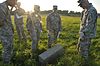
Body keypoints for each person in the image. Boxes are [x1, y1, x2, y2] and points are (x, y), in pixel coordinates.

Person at [77, 0, 97, 65]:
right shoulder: (85, 10)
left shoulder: (92, 10)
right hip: (82, 33)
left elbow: (90, 25)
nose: (81, 7)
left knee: (84, 50)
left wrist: (83, 32)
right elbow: (82, 23)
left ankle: (84, 63)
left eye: (81, 5)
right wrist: (81, 31)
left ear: (85, 2)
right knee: (80, 47)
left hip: (87, 34)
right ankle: (80, 60)